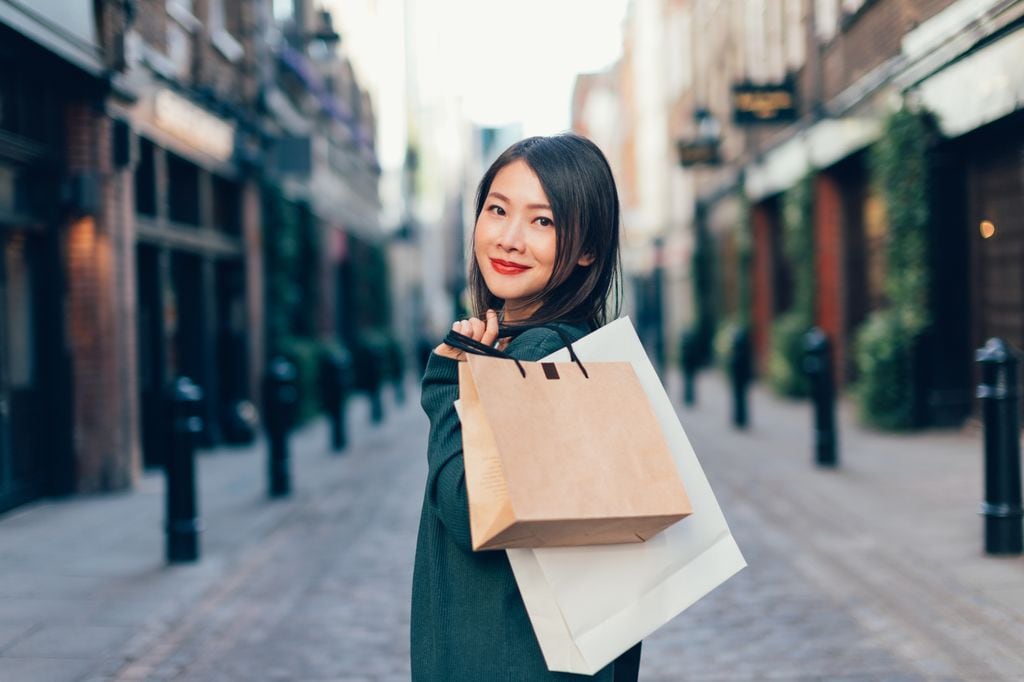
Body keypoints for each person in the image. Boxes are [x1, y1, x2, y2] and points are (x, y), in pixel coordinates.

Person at [411, 133, 642, 680]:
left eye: (543, 221)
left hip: (513, 658)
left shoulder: (538, 356)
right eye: (497, 210)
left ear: (587, 248)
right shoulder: (572, 347)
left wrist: (447, 380)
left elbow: (473, 514)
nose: (510, 238)